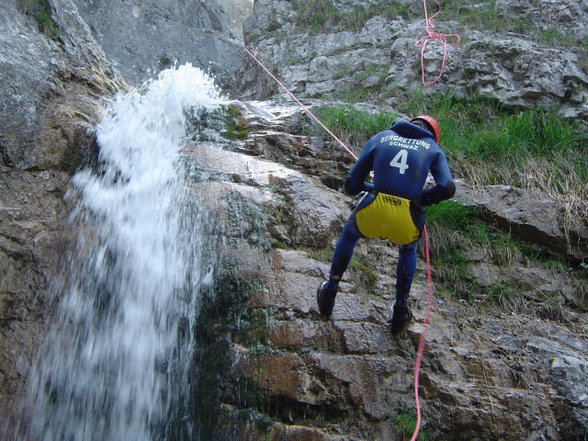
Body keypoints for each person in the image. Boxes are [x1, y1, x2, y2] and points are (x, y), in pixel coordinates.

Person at [316, 115, 455, 334]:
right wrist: (421, 199)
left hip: (374, 208)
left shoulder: (382, 137)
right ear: (433, 134)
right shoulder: (433, 149)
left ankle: (330, 289)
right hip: (406, 215)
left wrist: (371, 187)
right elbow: (447, 188)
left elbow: (351, 185)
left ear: (409, 123)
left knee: (350, 234)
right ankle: (400, 309)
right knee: (408, 249)